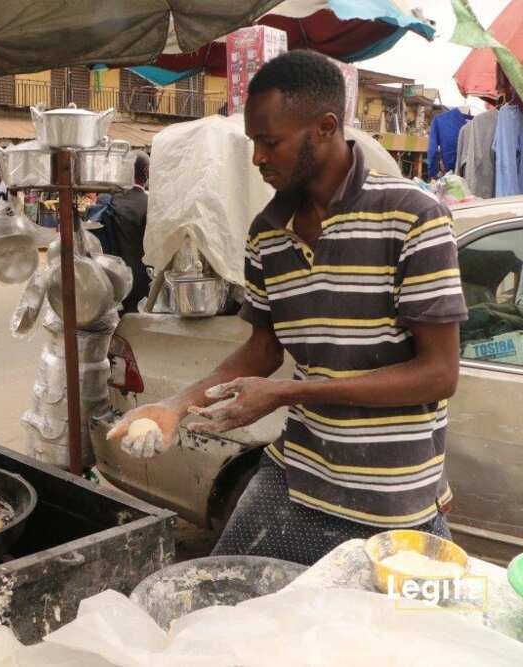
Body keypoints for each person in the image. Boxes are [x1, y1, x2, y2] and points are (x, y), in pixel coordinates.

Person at [108, 50, 467, 567]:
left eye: (269, 142)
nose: (257, 158)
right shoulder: (267, 234)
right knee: (230, 596)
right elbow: (261, 350)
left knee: (367, 643)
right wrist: (176, 405)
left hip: (391, 497)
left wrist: (287, 394)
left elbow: (438, 374)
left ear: (324, 128)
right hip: (294, 474)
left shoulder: (412, 217)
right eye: (254, 142)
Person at [106, 151, 150, 313]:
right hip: (142, 286)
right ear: (146, 172)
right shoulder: (150, 203)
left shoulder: (106, 201)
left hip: (108, 282)